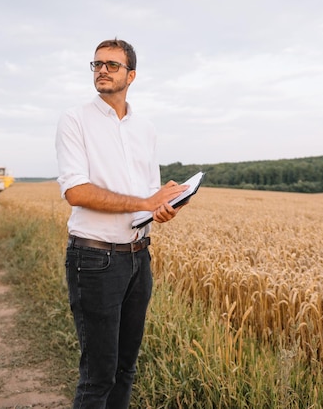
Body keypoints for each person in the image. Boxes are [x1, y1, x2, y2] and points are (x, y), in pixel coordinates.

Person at [55, 38, 188, 408]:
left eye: (112, 65)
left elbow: (148, 193)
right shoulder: (74, 120)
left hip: (138, 258)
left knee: (126, 368)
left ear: (131, 75)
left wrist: (163, 205)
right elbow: (76, 192)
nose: (102, 70)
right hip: (95, 260)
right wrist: (145, 201)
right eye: (97, 64)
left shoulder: (145, 128)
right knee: (99, 374)